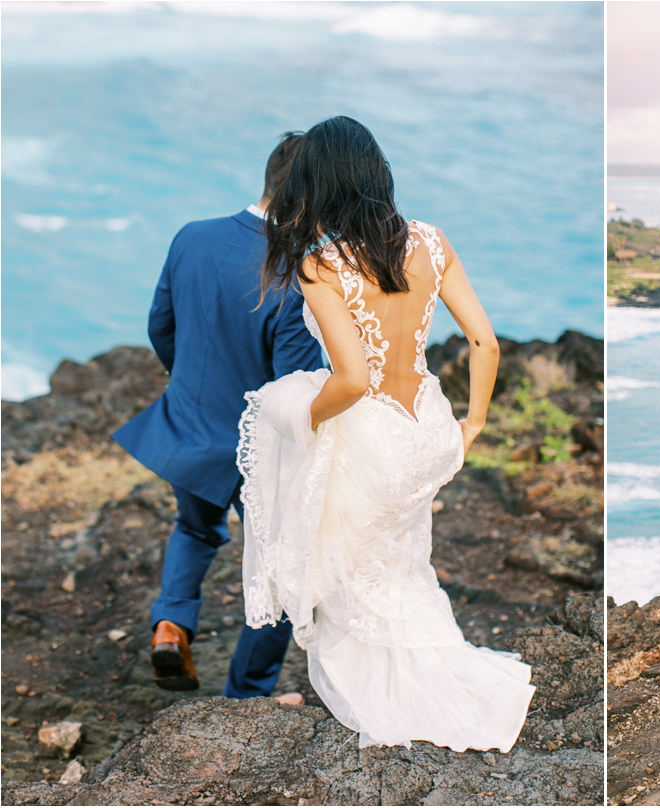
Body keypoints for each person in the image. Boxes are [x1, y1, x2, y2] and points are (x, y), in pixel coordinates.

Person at [235, 115, 535, 752]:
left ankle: (395, 701)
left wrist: (299, 421)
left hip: (367, 438)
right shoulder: (432, 241)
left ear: (317, 181)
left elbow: (347, 380)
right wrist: (471, 424)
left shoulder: (321, 264)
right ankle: (434, 674)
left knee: (355, 577)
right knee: (400, 564)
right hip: (425, 428)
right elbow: (485, 341)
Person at [112, 133, 323, 703]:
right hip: (254, 452)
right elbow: (293, 397)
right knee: (278, 572)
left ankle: (170, 625)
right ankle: (246, 697)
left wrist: (189, 388)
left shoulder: (192, 236)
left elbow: (161, 325)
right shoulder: (294, 279)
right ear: (310, 199)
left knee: (194, 528)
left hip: (189, 426)